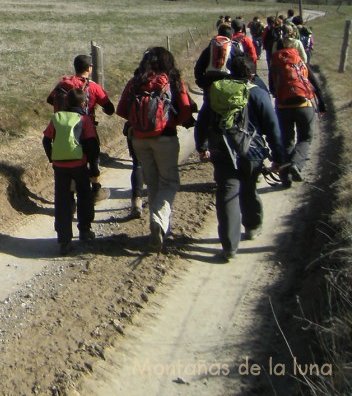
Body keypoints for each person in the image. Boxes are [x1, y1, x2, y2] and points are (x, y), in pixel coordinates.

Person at [195, 55, 283, 261]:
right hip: (251, 151)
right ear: (252, 74)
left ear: (230, 71)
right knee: (249, 187)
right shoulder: (259, 95)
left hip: (223, 150)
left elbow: (202, 122)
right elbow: (273, 128)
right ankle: (252, 227)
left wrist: (202, 146)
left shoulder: (218, 91)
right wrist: (278, 157)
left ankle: (229, 246)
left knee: (227, 192)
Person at [117, 46, 196, 252]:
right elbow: (186, 110)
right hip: (166, 137)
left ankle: (158, 226)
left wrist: (139, 121)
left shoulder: (136, 81)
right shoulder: (172, 80)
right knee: (169, 182)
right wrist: (172, 121)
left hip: (139, 139)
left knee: (152, 183)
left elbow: (121, 109)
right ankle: (159, 221)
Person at [46, 55, 116, 203]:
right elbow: (110, 109)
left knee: (69, 161)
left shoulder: (63, 84)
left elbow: (50, 99)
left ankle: (70, 200)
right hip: (85, 128)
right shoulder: (93, 86)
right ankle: (95, 190)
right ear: (89, 68)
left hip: (63, 128)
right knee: (93, 158)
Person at [42, 87, 101, 255]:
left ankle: (64, 239)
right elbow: (91, 144)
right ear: (83, 103)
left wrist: (52, 158)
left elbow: (46, 140)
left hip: (60, 167)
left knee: (62, 201)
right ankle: (84, 230)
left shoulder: (57, 118)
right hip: (79, 164)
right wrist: (92, 164)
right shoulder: (84, 119)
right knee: (84, 195)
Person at [270, 36, 327, 185]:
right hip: (304, 106)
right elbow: (316, 85)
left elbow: (271, 88)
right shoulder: (300, 61)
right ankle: (296, 164)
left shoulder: (275, 64)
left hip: (283, 107)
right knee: (305, 138)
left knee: (286, 141)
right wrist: (322, 105)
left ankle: (285, 179)